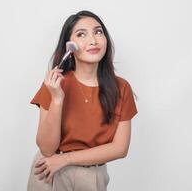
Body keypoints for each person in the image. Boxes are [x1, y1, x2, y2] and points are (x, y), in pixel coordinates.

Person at [27, 10, 138, 191]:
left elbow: (120, 148)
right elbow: (47, 149)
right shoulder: (55, 84)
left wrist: (66, 159)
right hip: (49, 172)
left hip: (91, 176)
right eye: (81, 34)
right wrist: (57, 99)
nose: (93, 40)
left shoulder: (121, 88)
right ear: (69, 46)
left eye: (98, 32)